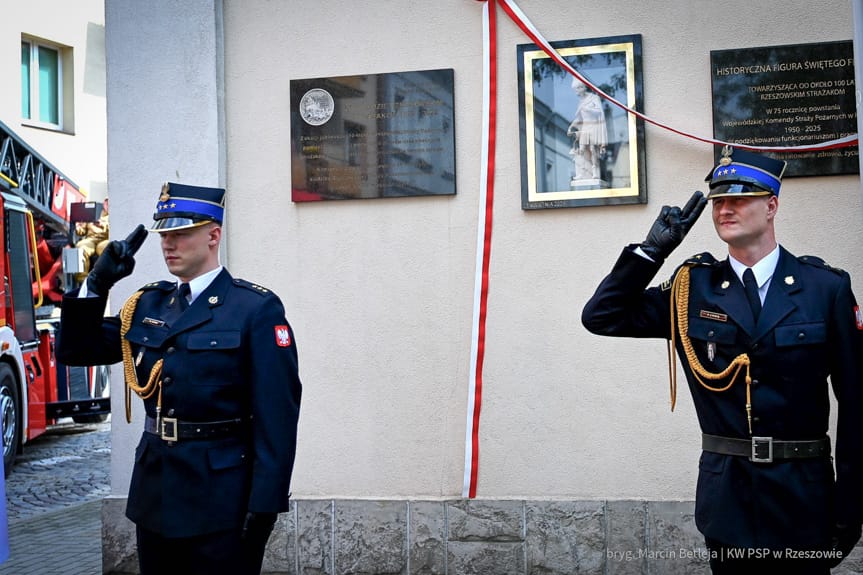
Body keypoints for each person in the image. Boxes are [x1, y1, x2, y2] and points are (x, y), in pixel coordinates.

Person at [581, 147, 863, 573]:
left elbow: (857, 405)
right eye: (718, 201)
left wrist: (850, 505)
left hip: (805, 497)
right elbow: (602, 316)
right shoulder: (691, 289)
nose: (725, 209)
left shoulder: (825, 288)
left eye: (740, 198)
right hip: (729, 500)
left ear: (771, 206)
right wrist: (651, 252)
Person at [56, 182, 302, 575]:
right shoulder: (148, 303)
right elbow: (77, 351)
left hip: (222, 499)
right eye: (164, 235)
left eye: (181, 233)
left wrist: (265, 505)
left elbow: (278, 415)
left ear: (213, 235)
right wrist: (96, 284)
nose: (168, 244)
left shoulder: (254, 309)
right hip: (156, 494)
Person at [566, 78, 607, 181]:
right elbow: (579, 118)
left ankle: (595, 172)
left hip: (593, 126)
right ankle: (582, 173)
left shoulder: (594, 98)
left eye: (576, 89)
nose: (576, 92)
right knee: (582, 150)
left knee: (593, 149)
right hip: (584, 128)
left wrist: (588, 109)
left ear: (582, 88)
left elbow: (599, 112)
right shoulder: (580, 102)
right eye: (575, 89)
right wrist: (571, 126)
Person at [74, 197, 110, 282]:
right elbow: (82, 232)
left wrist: (102, 225)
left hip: (105, 238)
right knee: (80, 246)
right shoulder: (93, 214)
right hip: (91, 239)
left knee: (105, 248)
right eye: (106, 203)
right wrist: (78, 226)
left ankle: (105, 277)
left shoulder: (113, 216)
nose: (108, 205)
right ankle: (82, 279)